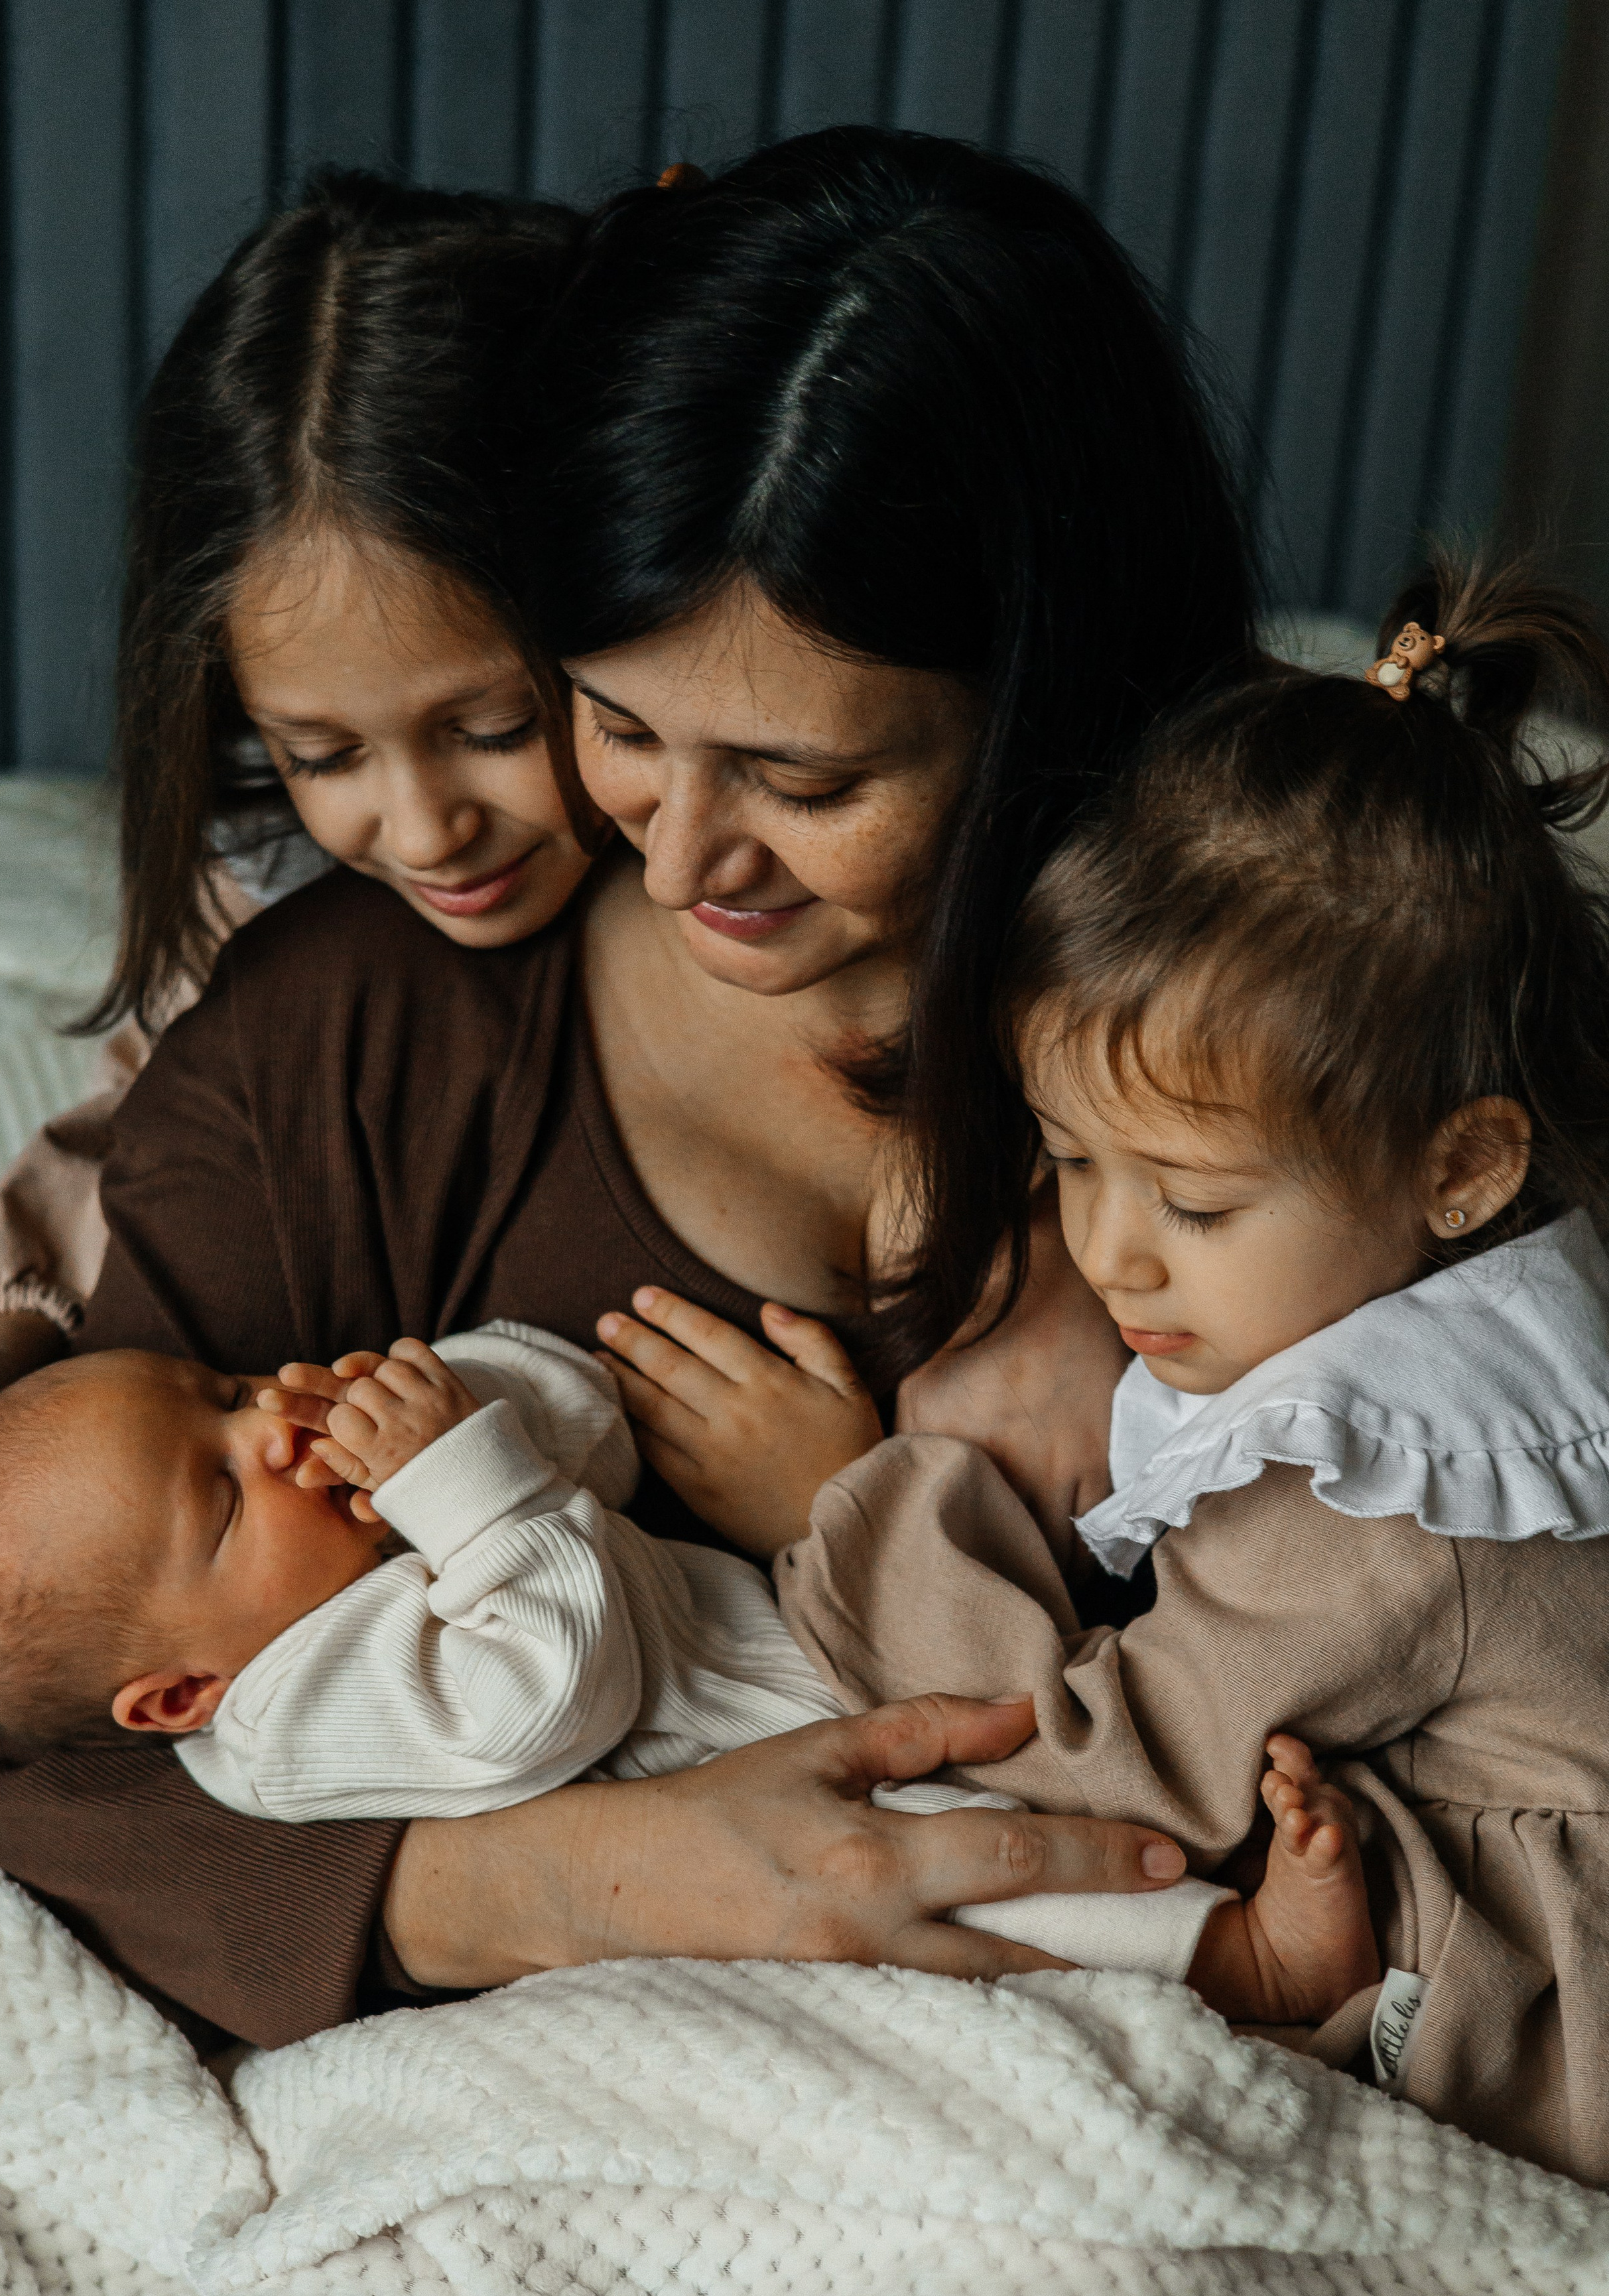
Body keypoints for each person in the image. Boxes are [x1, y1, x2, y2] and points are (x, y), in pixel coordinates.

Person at [0, 128, 1256, 2049]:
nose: (681, 856)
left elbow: (1399, 1684)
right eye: (613, 725)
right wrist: (579, 1878)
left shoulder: (1260, 1073)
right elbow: (21, 1719)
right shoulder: (342, 1042)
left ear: (1044, 709)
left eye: (803, 779)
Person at [614, 558, 1609, 2183]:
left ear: (1459, 1168)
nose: (1110, 1252)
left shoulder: (1376, 1485)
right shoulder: (1504, 1308)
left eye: (1194, 1204)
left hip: (1541, 2022)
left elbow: (1099, 1768)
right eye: (1072, 1160)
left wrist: (842, 1501)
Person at [0, 1324, 1364, 2019]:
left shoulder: (363, 1530)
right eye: (226, 1491)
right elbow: (554, 1688)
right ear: (180, 1692)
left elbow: (588, 1429)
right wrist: (454, 1478)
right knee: (993, 1879)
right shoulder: (290, 1718)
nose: (273, 1428)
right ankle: (1255, 1965)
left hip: (824, 1654)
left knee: (1078, 1705)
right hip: (806, 1803)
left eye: (228, 1392)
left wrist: (451, 1405)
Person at [0, 164, 596, 1439]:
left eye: (496, 729)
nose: (425, 829)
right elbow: (134, 1137)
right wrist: (0, 1343)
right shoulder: (271, 892)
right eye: (323, 755)